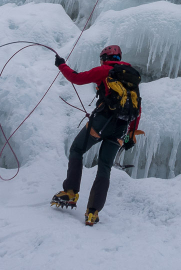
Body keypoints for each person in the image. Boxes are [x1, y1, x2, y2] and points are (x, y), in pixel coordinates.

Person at [50, 44, 141, 226]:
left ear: (105, 58)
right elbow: (137, 109)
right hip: (121, 129)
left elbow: (76, 78)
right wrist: (130, 134)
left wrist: (61, 65)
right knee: (105, 167)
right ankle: (93, 212)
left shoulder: (105, 71)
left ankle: (70, 192)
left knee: (77, 149)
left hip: (102, 122)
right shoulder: (131, 78)